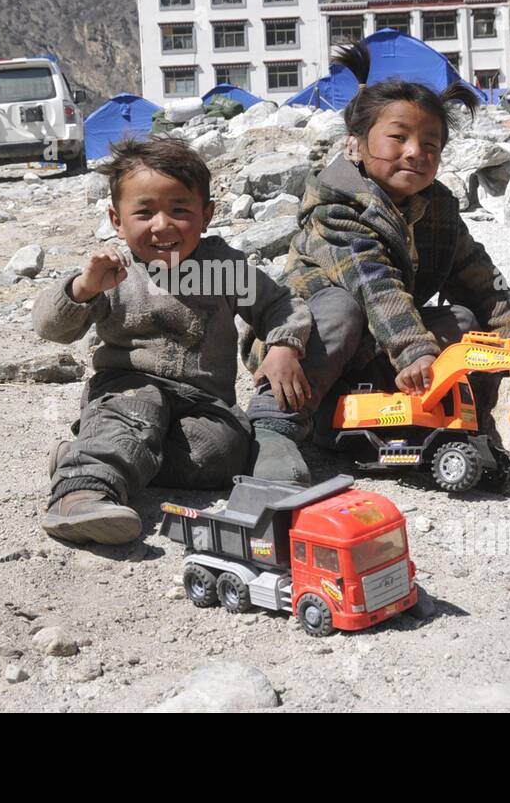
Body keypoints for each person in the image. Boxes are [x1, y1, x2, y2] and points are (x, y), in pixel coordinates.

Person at [244, 39, 510, 483]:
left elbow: (478, 276)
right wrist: (415, 351)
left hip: (377, 346)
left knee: (461, 322)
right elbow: (373, 283)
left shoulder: (436, 208)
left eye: (430, 144)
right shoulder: (337, 207)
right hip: (306, 344)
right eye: (398, 138)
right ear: (357, 145)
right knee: (341, 308)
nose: (415, 152)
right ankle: (274, 426)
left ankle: (403, 420)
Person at [33, 137, 312, 545]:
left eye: (179, 210)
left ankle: (89, 454)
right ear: (117, 219)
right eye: (144, 213)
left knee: (223, 450)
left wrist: (284, 343)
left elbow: (279, 304)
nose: (162, 225)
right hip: (126, 387)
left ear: (207, 214)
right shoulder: (113, 272)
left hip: (203, 403)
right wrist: (82, 288)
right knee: (135, 412)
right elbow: (50, 328)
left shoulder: (223, 269)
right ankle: (82, 492)